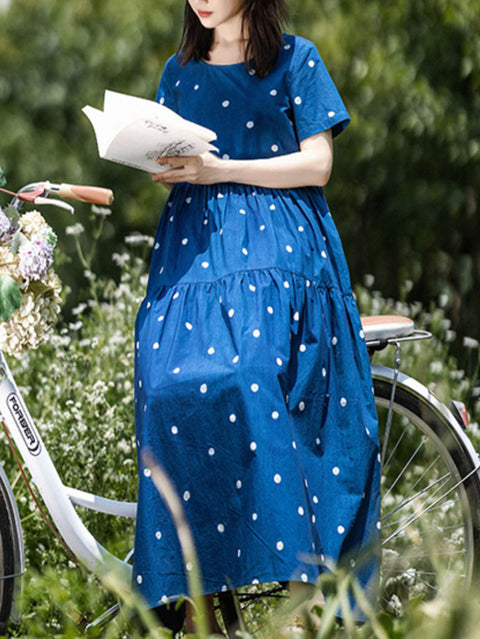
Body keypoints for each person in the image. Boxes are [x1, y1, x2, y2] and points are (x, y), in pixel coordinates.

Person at [133, 0, 381, 633]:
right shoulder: (178, 71)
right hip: (194, 251)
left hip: (282, 246)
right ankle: (199, 601)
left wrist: (220, 169)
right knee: (166, 391)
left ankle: (300, 599)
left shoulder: (297, 58)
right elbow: (176, 163)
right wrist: (171, 168)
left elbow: (318, 163)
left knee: (248, 373)